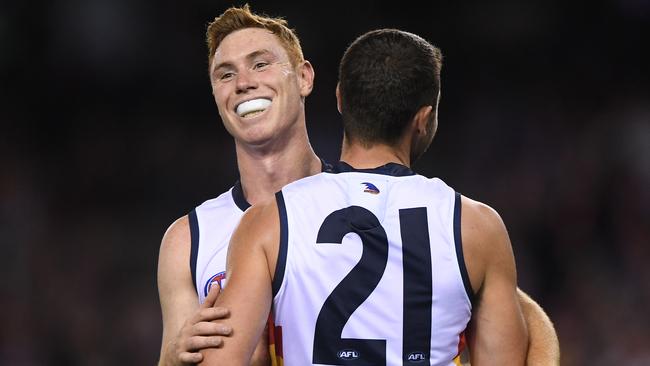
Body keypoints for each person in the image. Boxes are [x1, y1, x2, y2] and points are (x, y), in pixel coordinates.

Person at [157, 5, 559, 366]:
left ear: (306, 78)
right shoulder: (187, 239)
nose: (243, 81)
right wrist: (176, 359)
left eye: (260, 64)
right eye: (225, 73)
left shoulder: (273, 225)